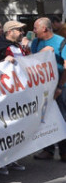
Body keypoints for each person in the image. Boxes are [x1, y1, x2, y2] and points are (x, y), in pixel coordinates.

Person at [30, 17, 66, 161]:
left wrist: (60, 87)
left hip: (60, 87)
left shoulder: (61, 42)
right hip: (43, 89)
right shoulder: (36, 42)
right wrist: (42, 52)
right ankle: (48, 150)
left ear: (44, 28)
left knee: (62, 118)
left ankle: (64, 152)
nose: (33, 31)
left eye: (35, 28)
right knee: (45, 118)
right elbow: (32, 62)